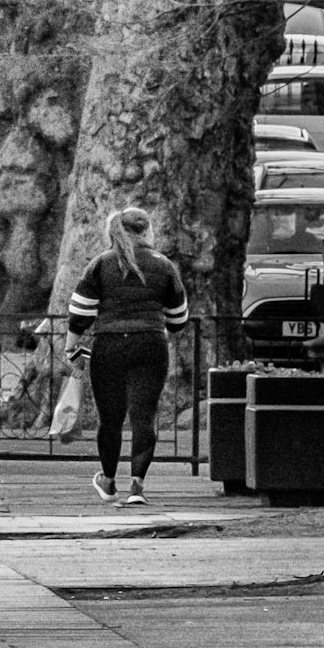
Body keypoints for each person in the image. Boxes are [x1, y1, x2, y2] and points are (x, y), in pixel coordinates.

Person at [64, 206, 189, 506]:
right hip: (150, 345)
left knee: (111, 418)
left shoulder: (101, 264)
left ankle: (108, 482)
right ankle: (138, 486)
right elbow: (179, 319)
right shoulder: (164, 265)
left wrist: (72, 347)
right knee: (144, 417)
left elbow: (80, 312)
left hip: (109, 346)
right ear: (147, 231)